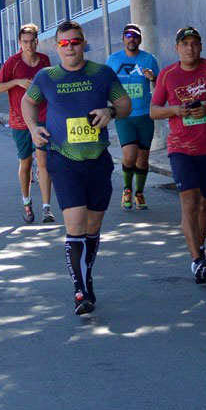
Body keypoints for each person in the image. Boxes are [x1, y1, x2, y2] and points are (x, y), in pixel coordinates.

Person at [21, 21, 131, 314]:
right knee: (75, 224)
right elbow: (27, 102)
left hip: (97, 158)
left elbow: (125, 104)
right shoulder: (47, 77)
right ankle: (80, 291)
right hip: (63, 159)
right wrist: (33, 127)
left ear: (84, 43)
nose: (70, 47)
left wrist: (110, 110)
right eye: (64, 43)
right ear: (57, 47)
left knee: (92, 227)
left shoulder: (101, 73)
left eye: (75, 42)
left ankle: (86, 275)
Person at [150, 26, 206, 283]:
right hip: (181, 149)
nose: (190, 48)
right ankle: (197, 260)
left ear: (200, 46)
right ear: (176, 48)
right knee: (189, 202)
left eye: (194, 43)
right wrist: (175, 110)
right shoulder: (167, 75)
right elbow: (154, 111)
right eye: (185, 43)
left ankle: (198, 247)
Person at [0, 24, 54, 223]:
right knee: (26, 162)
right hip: (20, 121)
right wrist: (17, 82)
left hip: (42, 117)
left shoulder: (44, 60)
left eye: (32, 41)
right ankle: (26, 202)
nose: (29, 45)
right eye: (25, 42)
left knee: (44, 162)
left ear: (37, 41)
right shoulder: (13, 62)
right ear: (20, 43)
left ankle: (46, 207)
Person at [107, 23, 160, 210]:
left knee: (143, 159)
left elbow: (159, 86)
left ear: (140, 39)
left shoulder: (149, 59)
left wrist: (153, 78)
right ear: (123, 39)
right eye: (128, 36)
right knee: (130, 155)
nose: (132, 39)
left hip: (144, 115)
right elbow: (105, 85)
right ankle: (127, 189)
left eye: (135, 36)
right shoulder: (113, 60)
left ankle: (139, 193)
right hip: (124, 115)